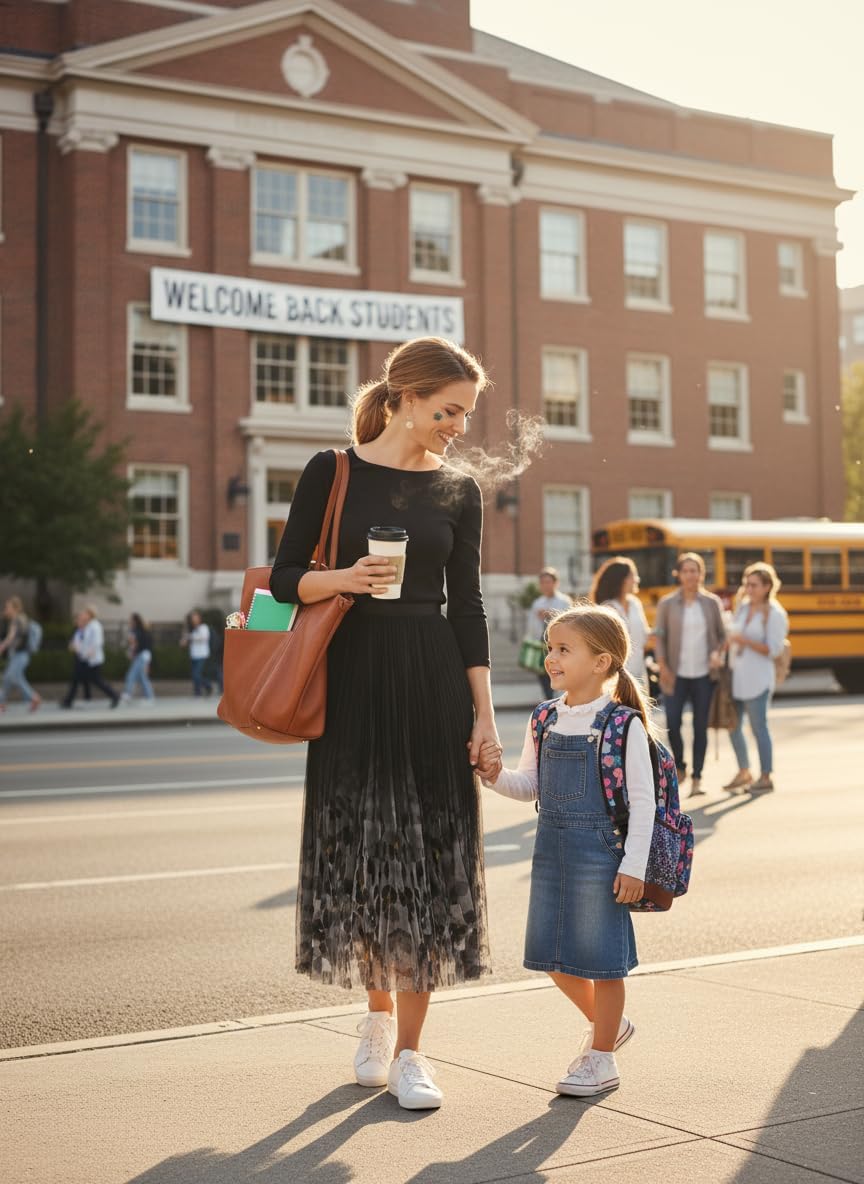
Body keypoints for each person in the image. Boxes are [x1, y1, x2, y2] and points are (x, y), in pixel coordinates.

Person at [270, 336, 500, 1111]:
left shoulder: (460, 491)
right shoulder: (330, 472)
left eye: (465, 414)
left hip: (432, 679)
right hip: (356, 682)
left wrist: (486, 719)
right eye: (448, 411)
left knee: (432, 864)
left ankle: (410, 1053)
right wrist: (345, 578)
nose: (458, 427)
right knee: (366, 853)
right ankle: (373, 1018)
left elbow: (467, 611)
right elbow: (281, 579)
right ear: (405, 398)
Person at [479, 604, 654, 1097]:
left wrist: (634, 866)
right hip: (551, 850)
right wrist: (491, 776)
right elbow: (529, 783)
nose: (550, 658)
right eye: (550, 647)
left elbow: (644, 804)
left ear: (601, 662)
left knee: (603, 961)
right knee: (552, 957)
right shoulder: (546, 716)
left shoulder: (623, 724)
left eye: (563, 649)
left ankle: (602, 1058)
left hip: (602, 855)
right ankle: (610, 1027)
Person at [653, 552, 725, 796]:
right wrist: (663, 665)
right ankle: (680, 767)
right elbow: (659, 637)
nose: (691, 575)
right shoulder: (667, 604)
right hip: (675, 673)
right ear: (679, 575)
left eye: (695, 570)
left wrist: (717, 653)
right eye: (686, 570)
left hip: (705, 675)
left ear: (701, 574)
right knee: (672, 722)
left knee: (700, 726)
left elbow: (721, 636)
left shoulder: (711, 602)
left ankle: (697, 777)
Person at [723, 562, 789, 793]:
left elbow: (774, 649)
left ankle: (765, 775)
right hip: (736, 675)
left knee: (759, 727)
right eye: (746, 584)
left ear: (767, 586)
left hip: (758, 678)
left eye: (754, 585)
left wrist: (744, 642)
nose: (749, 589)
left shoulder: (775, 614)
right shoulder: (743, 607)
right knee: (733, 725)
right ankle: (744, 771)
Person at [589, 556, 649, 688]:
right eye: (632, 576)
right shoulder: (607, 608)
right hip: (616, 677)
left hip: (639, 673)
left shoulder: (635, 603)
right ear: (621, 580)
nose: (636, 580)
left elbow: (644, 635)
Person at [61, 606, 119, 708]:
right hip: (84, 658)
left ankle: (114, 695)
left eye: (84, 613)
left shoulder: (95, 626)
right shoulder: (87, 626)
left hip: (92, 659)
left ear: (90, 614)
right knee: (77, 679)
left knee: (96, 680)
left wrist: (90, 652)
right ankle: (69, 701)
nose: (82, 615)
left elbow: (97, 641)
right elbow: (80, 640)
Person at [528, 568, 572, 698]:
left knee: (560, 671)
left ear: (555, 583)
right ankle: (549, 699)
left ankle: (561, 698)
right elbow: (531, 625)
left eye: (548, 582)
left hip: (561, 644)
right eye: (543, 582)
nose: (546, 585)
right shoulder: (537, 603)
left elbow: (571, 622)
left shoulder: (564, 601)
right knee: (542, 674)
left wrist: (550, 615)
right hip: (541, 643)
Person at [0, 596, 41, 713]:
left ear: (15, 608)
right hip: (18, 655)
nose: (6, 609)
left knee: (12, 677)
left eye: (8, 607)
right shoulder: (21, 619)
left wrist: (2, 646)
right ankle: (1, 703)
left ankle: (33, 697)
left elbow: (11, 637)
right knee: (9, 679)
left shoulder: (17, 619)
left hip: (20, 655)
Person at [60, 610, 93, 707]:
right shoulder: (77, 631)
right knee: (84, 680)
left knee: (76, 680)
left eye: (79, 620)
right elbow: (72, 644)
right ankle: (87, 698)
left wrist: (77, 647)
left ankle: (69, 701)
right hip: (79, 658)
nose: (77, 622)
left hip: (84, 658)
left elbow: (85, 645)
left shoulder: (87, 631)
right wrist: (73, 646)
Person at [121, 612, 155, 705]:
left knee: (131, 674)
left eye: (130, 620)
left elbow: (134, 644)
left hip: (141, 656)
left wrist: (131, 653)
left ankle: (128, 694)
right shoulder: (143, 631)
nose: (129, 622)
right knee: (142, 677)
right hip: (145, 655)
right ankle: (149, 696)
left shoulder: (135, 631)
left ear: (134, 621)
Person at [181, 610, 213, 697]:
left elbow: (204, 638)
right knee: (194, 674)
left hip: (202, 654)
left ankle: (207, 686)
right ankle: (198, 691)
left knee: (197, 674)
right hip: (193, 654)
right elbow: (183, 642)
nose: (194, 620)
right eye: (192, 618)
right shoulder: (191, 629)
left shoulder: (203, 627)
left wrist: (190, 637)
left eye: (195, 618)